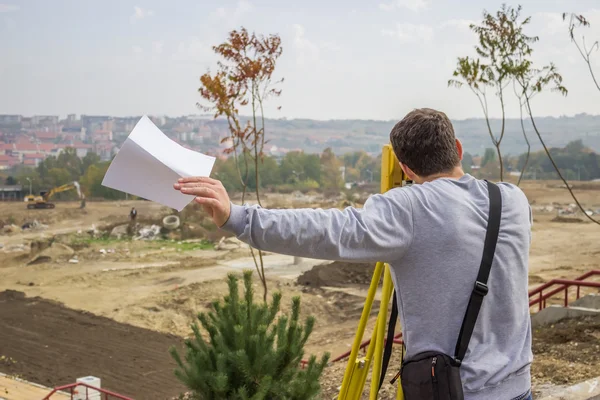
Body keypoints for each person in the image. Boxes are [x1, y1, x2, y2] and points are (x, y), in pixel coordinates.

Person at [173, 108, 533, 400]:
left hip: (458, 393)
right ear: (457, 148)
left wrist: (238, 218)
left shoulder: (409, 209)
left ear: (405, 168)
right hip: (520, 389)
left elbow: (327, 230)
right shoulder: (513, 201)